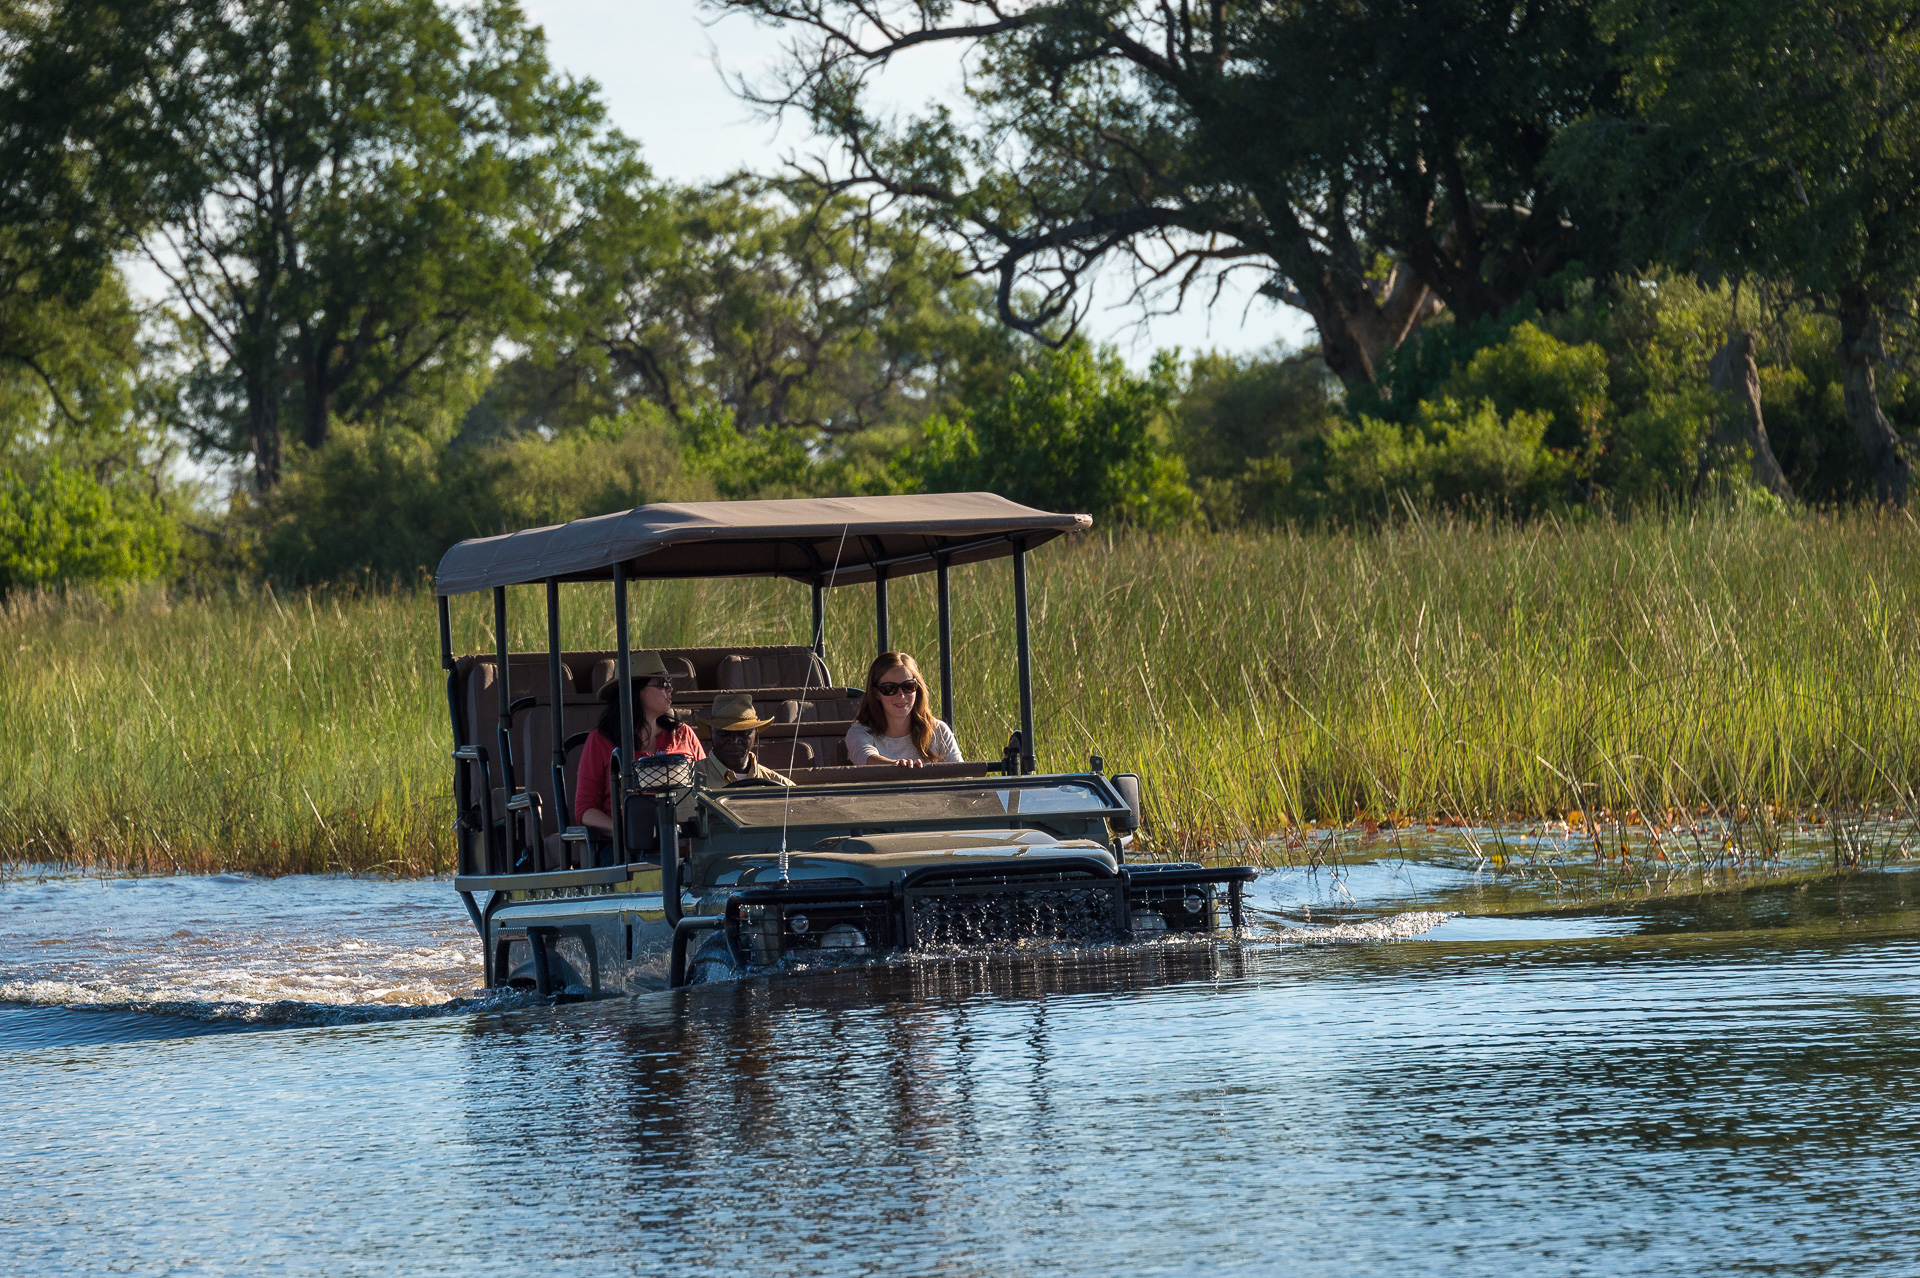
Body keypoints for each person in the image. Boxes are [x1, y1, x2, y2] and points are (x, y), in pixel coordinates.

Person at [574, 651, 705, 841]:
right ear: (634, 691)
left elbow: (705, 791)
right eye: (661, 683)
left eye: (669, 682)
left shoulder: (683, 734)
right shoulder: (600, 740)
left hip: (686, 844)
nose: (670, 689)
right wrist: (626, 831)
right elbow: (585, 811)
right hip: (625, 850)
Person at [845, 651, 962, 768]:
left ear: (917, 689)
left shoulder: (938, 731)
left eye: (908, 686)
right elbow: (864, 756)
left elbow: (962, 777)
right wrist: (899, 767)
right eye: (889, 688)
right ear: (876, 693)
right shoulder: (859, 732)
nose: (901, 695)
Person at [694, 693, 793, 789]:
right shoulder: (684, 782)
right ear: (711, 733)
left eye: (743, 733)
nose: (734, 740)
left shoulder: (783, 786)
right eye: (724, 733)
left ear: (755, 733)